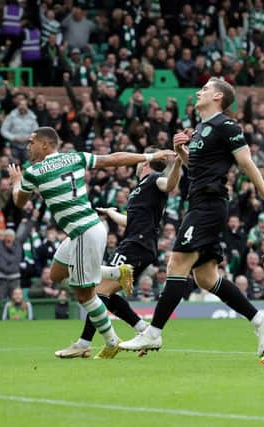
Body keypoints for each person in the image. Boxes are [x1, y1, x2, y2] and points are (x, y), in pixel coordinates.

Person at [120, 78, 264, 357]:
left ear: (218, 96)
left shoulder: (227, 126)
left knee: (177, 263)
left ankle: (153, 333)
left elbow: (246, 163)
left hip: (209, 205)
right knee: (207, 278)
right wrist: (183, 152)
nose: (199, 92)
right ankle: (260, 319)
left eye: (205, 89)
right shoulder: (199, 130)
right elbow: (195, 169)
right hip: (198, 201)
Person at [8, 127, 175, 359]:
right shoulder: (75, 157)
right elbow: (114, 159)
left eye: (31, 142)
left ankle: (104, 341)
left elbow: (19, 201)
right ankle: (116, 273)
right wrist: (147, 156)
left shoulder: (33, 172)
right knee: (56, 274)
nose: (28, 146)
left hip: (83, 232)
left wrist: (16, 182)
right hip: (88, 229)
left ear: (45, 145)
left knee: (85, 295)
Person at [54, 145, 182, 359]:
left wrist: (176, 163)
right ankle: (143, 329)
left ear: (145, 163)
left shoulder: (154, 180)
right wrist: (111, 214)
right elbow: (131, 222)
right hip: (136, 243)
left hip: (137, 245)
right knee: (107, 294)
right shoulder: (141, 188)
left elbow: (169, 184)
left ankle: (84, 343)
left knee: (99, 291)